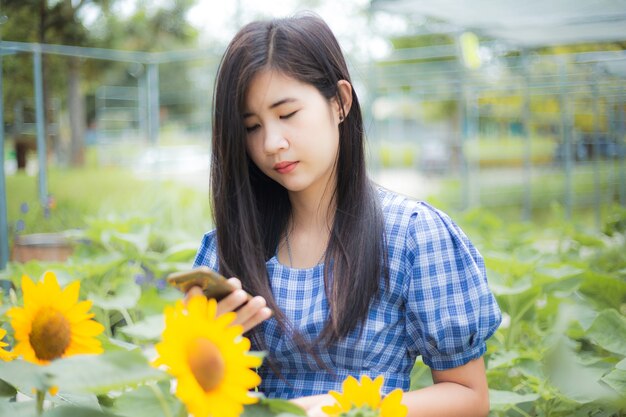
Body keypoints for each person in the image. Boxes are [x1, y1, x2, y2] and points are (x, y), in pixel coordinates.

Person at [189, 13, 501, 417]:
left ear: (340, 102)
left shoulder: (411, 235)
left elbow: (469, 397)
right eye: (251, 126)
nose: (271, 143)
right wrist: (201, 348)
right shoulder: (229, 245)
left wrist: (342, 408)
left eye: (287, 114)